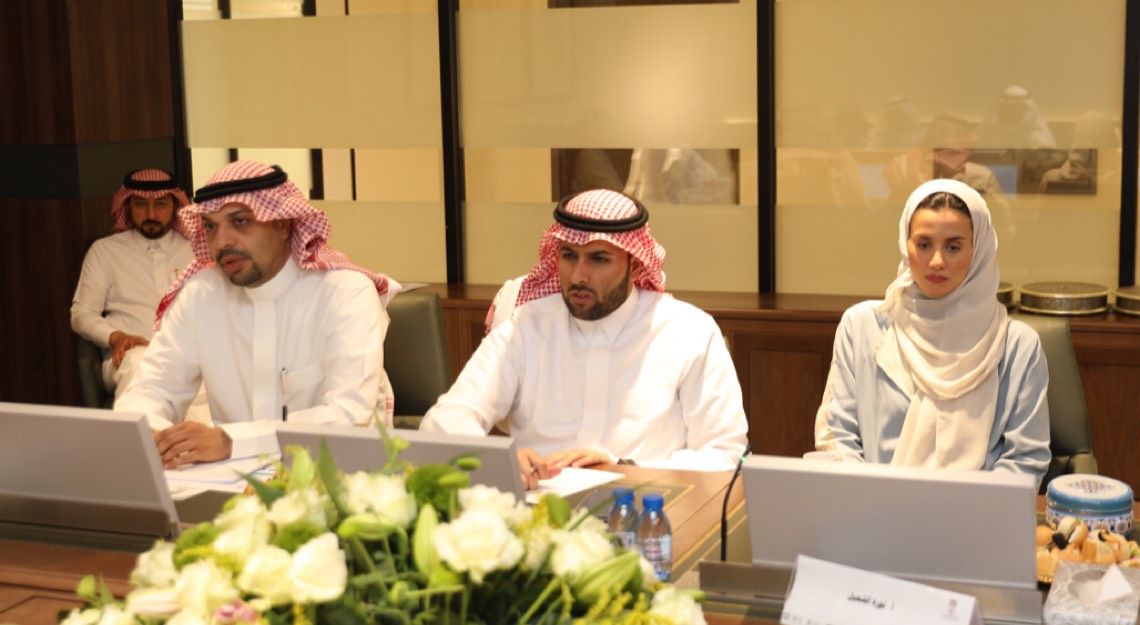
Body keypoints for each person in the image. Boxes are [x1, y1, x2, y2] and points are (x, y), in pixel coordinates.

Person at [420, 189, 749, 488]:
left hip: (646, 507)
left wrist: (625, 468)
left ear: (635, 265)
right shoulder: (527, 327)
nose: (578, 276)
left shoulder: (688, 331)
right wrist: (498, 459)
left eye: (598, 259)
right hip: (538, 513)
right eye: (569, 256)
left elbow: (726, 455)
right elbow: (443, 422)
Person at [116, 160, 399, 468]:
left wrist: (232, 441)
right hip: (229, 480)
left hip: (338, 474)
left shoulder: (345, 292)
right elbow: (152, 389)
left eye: (240, 221)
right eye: (210, 226)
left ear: (283, 224)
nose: (222, 242)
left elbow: (348, 416)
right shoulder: (202, 294)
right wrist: (151, 433)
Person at [814, 179, 1050, 485]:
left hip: (979, 510)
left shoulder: (1017, 346)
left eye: (953, 247)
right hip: (873, 505)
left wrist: (964, 507)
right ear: (906, 245)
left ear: (978, 250)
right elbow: (837, 436)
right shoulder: (862, 328)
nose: (937, 261)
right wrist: (870, 500)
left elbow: (1025, 460)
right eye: (924, 245)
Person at [70, 168, 193, 400]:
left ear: (175, 206)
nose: (151, 214)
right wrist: (116, 337)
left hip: (190, 355)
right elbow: (81, 314)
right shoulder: (105, 251)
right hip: (130, 357)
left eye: (161, 204)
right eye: (140, 204)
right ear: (127, 205)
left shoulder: (195, 250)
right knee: (142, 367)